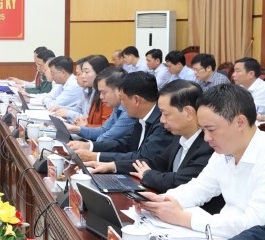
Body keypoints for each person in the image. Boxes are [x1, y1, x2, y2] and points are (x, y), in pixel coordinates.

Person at [140, 83, 265, 239]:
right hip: (221, 239)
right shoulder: (224, 151)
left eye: (211, 129)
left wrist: (183, 218)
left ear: (240, 122)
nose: (206, 138)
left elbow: (254, 224)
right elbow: (200, 187)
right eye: (203, 130)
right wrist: (163, 200)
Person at [87, 80, 224, 213]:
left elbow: (179, 181)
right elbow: (156, 162)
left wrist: (148, 174)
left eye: (166, 114)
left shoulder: (210, 145)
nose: (162, 120)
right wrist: (113, 166)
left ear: (188, 113)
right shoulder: (179, 137)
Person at [72, 71, 173, 163]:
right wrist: (89, 146)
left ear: (136, 100)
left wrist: (96, 157)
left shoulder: (162, 123)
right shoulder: (141, 117)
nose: (122, 104)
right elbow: (125, 143)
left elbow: (142, 157)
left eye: (123, 99)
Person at [67, 67, 136, 144]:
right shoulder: (117, 106)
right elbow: (103, 130)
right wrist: (76, 129)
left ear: (119, 90)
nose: (101, 97)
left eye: (103, 93)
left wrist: (87, 145)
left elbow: (106, 138)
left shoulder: (129, 111)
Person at [60, 55, 111, 125]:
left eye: (86, 72)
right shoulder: (90, 90)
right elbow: (79, 110)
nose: (83, 76)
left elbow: (103, 127)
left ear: (99, 73)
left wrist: (83, 124)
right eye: (82, 72)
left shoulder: (106, 95)